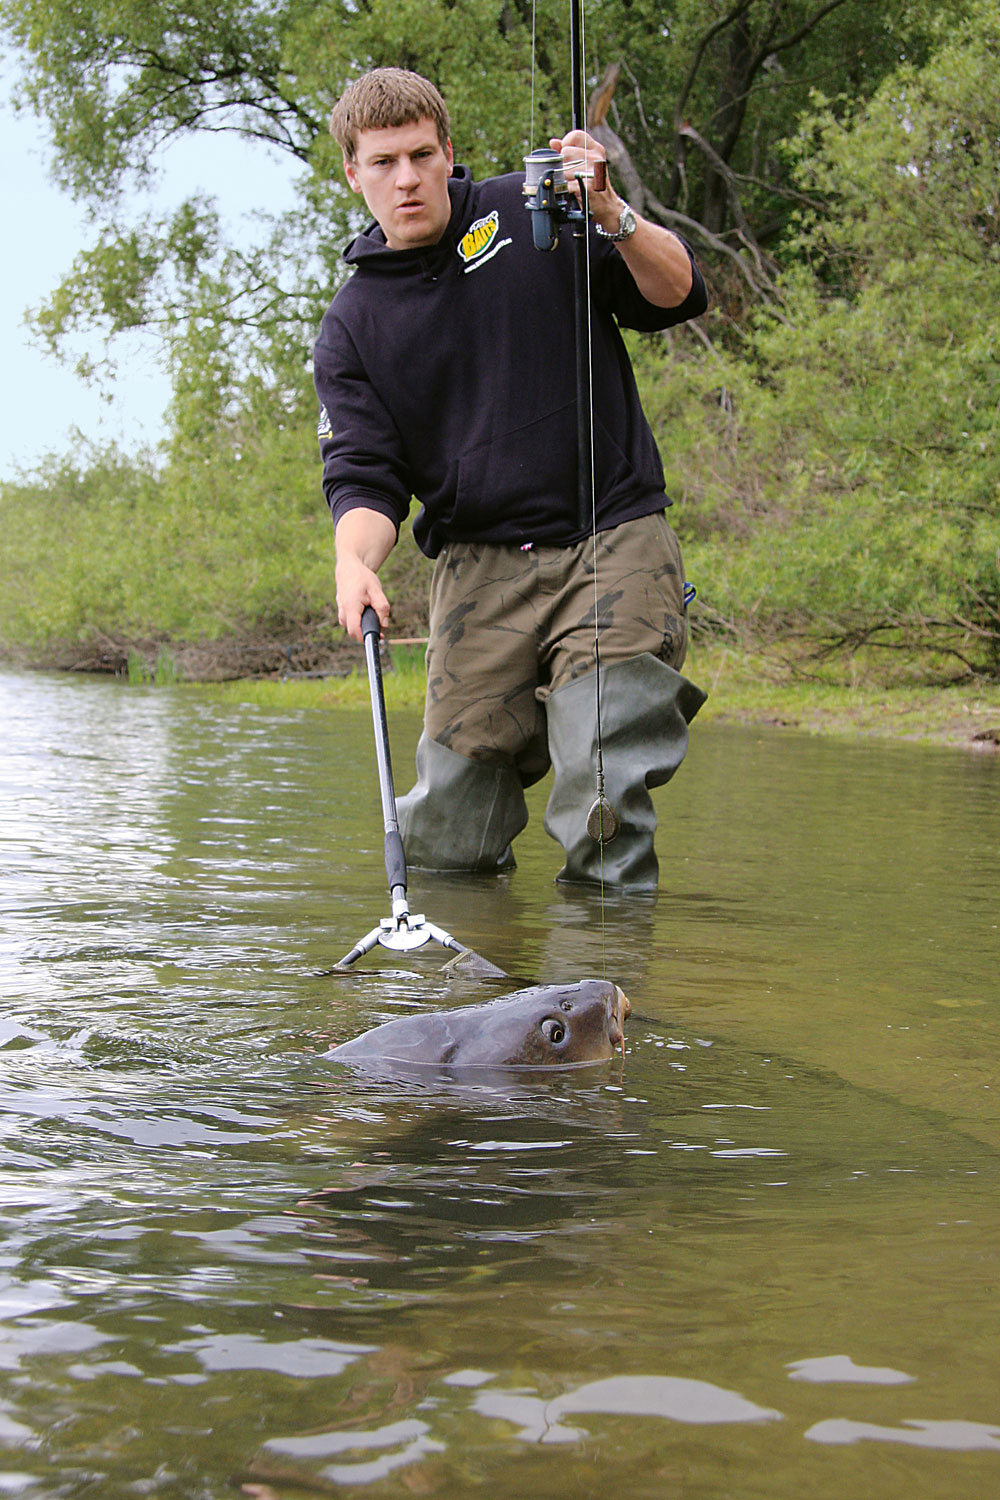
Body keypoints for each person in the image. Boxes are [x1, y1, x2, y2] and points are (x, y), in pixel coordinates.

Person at [313, 67, 708, 889]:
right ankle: (464, 1010)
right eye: (383, 162)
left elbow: (678, 292)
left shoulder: (541, 214)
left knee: (604, 806)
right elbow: (365, 477)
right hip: (478, 569)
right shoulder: (351, 328)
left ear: (447, 152)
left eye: (422, 155)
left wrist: (613, 214)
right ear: (353, 173)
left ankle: (601, 1008)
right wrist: (355, 563)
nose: (407, 178)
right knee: (448, 837)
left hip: (612, 540)